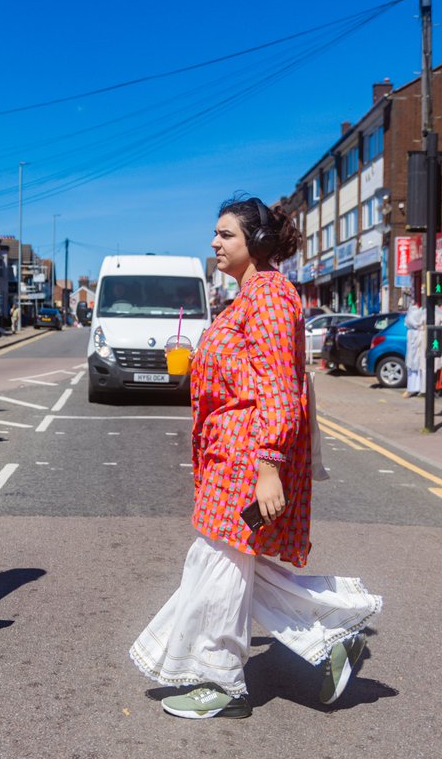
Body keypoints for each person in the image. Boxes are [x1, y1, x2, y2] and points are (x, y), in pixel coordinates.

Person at [129, 196, 381, 719]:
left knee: (218, 563)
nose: (214, 244)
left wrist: (269, 467)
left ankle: (223, 683)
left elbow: (279, 388)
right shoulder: (245, 298)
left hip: (248, 457)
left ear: (255, 243)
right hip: (227, 456)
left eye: (226, 235)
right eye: (215, 235)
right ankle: (334, 635)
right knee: (228, 562)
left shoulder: (269, 296)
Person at [403, 294, 425, 398]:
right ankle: (414, 388)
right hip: (415, 340)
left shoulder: (413, 314)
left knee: (416, 364)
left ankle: (416, 388)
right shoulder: (415, 313)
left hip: (417, 340)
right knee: (413, 364)